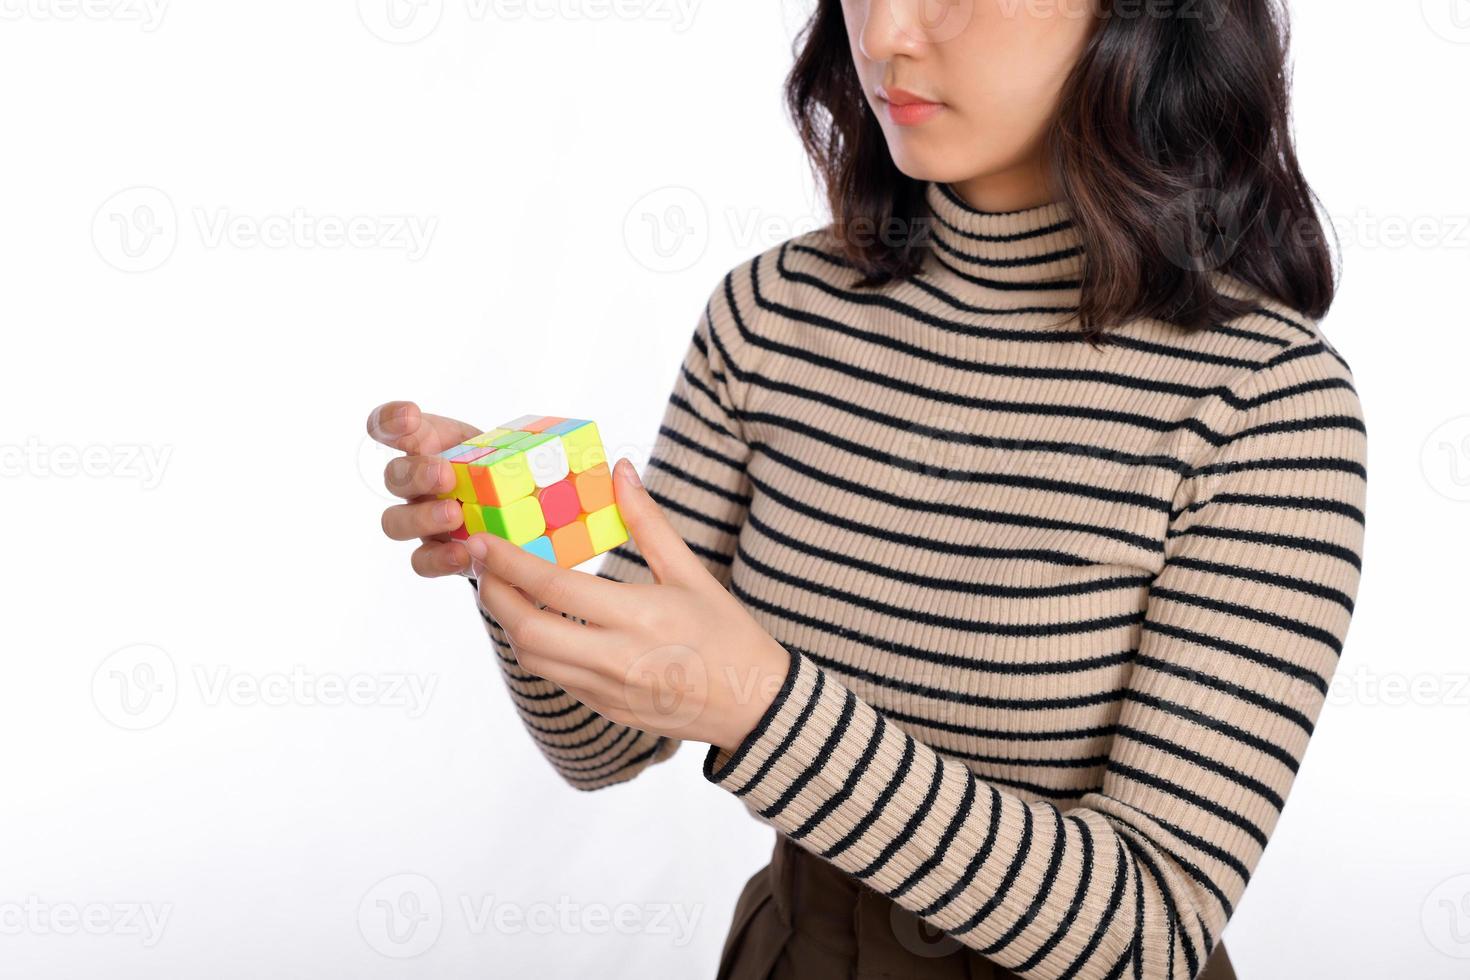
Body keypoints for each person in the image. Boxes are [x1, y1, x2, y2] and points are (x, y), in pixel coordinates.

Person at [367, 1, 1364, 976]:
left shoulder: (1267, 401)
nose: (885, 34)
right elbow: (606, 745)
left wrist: (763, 704)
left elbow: (1150, 926)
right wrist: (514, 556)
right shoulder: (770, 315)